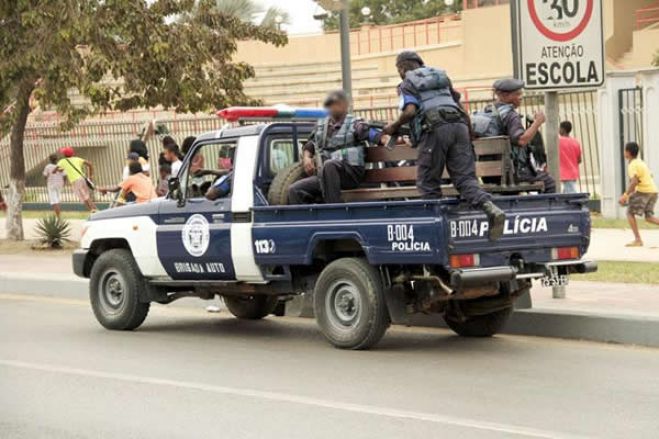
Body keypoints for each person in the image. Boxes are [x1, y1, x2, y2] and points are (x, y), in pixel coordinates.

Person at [383, 51, 505, 241]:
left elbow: (409, 111)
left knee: (428, 182)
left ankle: (436, 233)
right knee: (465, 179)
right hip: (459, 127)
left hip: (435, 130)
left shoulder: (408, 82)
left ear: (402, 68)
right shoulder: (441, 78)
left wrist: (393, 126)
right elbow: (461, 109)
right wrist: (468, 132)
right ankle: (491, 208)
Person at [288, 90, 390, 204]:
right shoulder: (321, 126)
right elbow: (310, 144)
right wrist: (306, 158)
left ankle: (334, 212)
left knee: (330, 165)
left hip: (350, 173)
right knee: (294, 190)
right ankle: (310, 221)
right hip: (326, 175)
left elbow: (374, 135)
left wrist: (386, 138)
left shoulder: (355, 124)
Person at [491, 78, 556, 193]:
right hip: (512, 173)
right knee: (548, 182)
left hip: (490, 174)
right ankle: (544, 210)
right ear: (505, 96)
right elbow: (521, 140)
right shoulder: (510, 116)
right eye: (517, 94)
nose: (521, 97)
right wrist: (537, 123)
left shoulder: (487, 112)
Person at [619, 142, 659, 247]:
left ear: (628, 153)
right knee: (649, 217)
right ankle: (637, 239)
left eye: (624, 150)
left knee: (629, 213)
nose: (624, 152)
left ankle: (638, 239)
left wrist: (625, 195)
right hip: (653, 191)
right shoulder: (640, 162)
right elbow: (648, 176)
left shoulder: (632, 165)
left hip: (644, 192)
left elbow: (634, 182)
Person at [57, 146, 97, 212]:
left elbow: (57, 169)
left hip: (75, 180)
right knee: (85, 196)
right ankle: (93, 210)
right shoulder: (77, 159)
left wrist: (61, 169)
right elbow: (90, 164)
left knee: (84, 196)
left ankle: (93, 210)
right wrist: (90, 176)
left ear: (64, 154)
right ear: (72, 154)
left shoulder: (62, 161)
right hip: (82, 178)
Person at [558, 121, 582, 194]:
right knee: (567, 192)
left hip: (563, 172)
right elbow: (579, 160)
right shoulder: (575, 142)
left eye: (559, 128)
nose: (558, 130)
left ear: (563, 129)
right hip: (573, 172)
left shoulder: (558, 142)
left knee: (570, 195)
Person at [43, 153, 65, 218]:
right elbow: (65, 176)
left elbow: (45, 176)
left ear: (50, 159)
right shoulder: (60, 166)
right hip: (59, 184)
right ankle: (58, 214)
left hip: (51, 185)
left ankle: (58, 216)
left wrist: (47, 179)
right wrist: (64, 183)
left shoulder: (48, 166)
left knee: (54, 201)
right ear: (57, 159)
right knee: (57, 200)